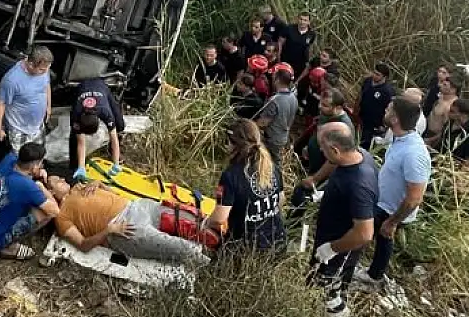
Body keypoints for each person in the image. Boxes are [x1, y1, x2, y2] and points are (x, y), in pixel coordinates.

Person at [354, 96, 431, 289]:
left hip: (391, 209)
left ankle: (367, 273)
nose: (384, 112)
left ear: (395, 119)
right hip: (382, 201)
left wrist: (393, 221)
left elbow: (414, 198)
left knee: (379, 234)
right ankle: (374, 274)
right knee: (382, 238)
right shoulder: (400, 140)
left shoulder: (414, 153)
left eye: (388, 110)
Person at [47, 177, 210, 265]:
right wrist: (109, 231)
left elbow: (112, 195)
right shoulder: (62, 217)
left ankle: (218, 237)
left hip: (136, 206)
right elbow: (83, 245)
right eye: (58, 181)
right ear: (52, 192)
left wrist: (100, 184)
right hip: (123, 228)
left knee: (185, 218)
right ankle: (212, 263)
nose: (63, 179)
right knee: (179, 247)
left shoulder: (79, 186)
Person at [308, 121, 378, 317]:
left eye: (323, 148)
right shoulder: (360, 156)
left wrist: (332, 248)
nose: (322, 152)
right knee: (318, 283)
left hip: (340, 246)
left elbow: (364, 233)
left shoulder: (359, 184)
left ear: (335, 150)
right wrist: (325, 194)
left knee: (324, 290)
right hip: (331, 235)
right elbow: (344, 187)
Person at [0, 143, 59, 260]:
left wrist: (36, 173)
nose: (42, 166)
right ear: (35, 166)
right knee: (45, 214)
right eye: (41, 163)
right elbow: (55, 211)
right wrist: (41, 186)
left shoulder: (9, 159)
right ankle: (6, 247)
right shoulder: (28, 186)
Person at [205, 119, 286, 250]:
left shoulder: (231, 175)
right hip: (277, 242)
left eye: (227, 142)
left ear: (233, 145)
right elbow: (281, 200)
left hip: (246, 247)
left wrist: (205, 223)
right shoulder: (272, 166)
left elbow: (218, 220)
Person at [0, 47, 53, 152]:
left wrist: (48, 106)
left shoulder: (44, 70)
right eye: (42, 69)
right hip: (18, 129)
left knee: (38, 153)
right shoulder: (12, 80)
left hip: (37, 125)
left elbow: (46, 85)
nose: (46, 71)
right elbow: (0, 104)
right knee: (20, 158)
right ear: (30, 64)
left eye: (48, 68)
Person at [69, 77, 124, 179]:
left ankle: (114, 154)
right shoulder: (76, 115)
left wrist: (116, 164)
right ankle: (74, 166)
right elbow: (81, 143)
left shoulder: (105, 112)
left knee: (120, 124)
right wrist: (81, 167)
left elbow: (114, 138)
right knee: (74, 138)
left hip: (101, 86)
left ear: (99, 119)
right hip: (82, 86)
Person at [256, 69, 298, 161]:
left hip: (272, 138)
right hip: (283, 136)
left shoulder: (275, 100)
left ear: (277, 80)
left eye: (274, 78)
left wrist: (252, 125)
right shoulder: (293, 97)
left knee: (271, 161)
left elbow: (264, 122)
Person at [357, 62, 396, 148]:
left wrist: (384, 125)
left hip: (374, 125)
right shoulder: (367, 81)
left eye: (378, 74)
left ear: (384, 77)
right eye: (374, 73)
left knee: (365, 145)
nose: (374, 75)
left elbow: (390, 109)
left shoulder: (387, 91)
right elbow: (360, 95)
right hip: (362, 118)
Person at [423, 74, 461, 149]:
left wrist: (430, 140)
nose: (441, 86)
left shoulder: (451, 106)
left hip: (435, 138)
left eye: (445, 85)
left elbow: (447, 130)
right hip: (426, 131)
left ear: (453, 89)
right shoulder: (440, 98)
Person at [281, 12, 317, 82]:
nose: (302, 22)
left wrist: (308, 61)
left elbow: (310, 48)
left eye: (305, 20)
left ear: (309, 22)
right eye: (301, 19)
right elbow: (280, 42)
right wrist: (279, 58)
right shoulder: (289, 28)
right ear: (297, 19)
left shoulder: (312, 34)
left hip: (300, 64)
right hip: (286, 61)